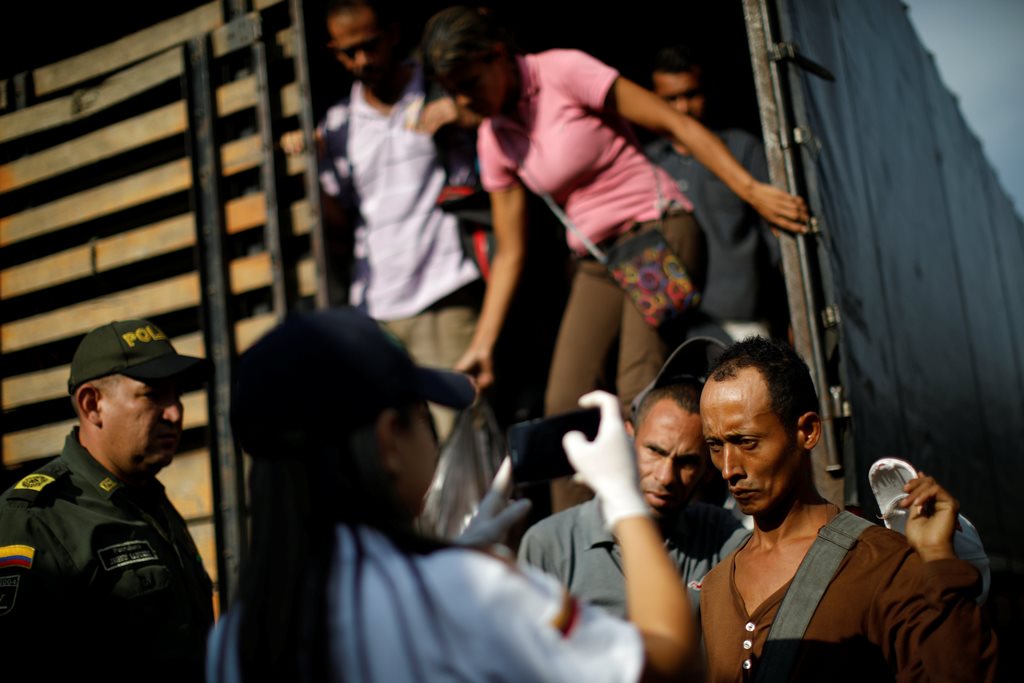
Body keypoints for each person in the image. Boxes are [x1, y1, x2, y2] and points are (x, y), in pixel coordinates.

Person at [420, 6, 808, 511]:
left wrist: (752, 190)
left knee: (636, 386)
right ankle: (574, 544)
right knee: (564, 401)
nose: (464, 100)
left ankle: (661, 527)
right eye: (453, 90)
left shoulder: (562, 71)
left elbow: (675, 124)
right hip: (598, 258)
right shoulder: (495, 138)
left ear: (497, 56)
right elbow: (511, 248)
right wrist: (483, 343)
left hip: (659, 229)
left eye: (469, 82)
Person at [207, 308, 702, 682]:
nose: (434, 439)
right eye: (424, 420)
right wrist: (623, 501)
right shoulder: (468, 590)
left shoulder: (232, 639)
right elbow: (668, 658)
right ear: (388, 442)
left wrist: (453, 557)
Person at [698, 336, 998, 682]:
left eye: (747, 442)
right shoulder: (717, 587)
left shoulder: (882, 564)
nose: (728, 468)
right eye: (715, 446)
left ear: (807, 431)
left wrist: (937, 559)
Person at [286, 0, 483, 440]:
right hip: (377, 308)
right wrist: (313, 169)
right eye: (349, 52)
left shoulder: (438, 87)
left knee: (462, 435)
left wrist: (459, 112)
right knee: (397, 444)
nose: (363, 61)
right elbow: (339, 228)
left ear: (393, 33)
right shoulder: (338, 125)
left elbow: (496, 125)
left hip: (444, 292)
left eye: (371, 46)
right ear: (333, 52)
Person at [0, 319, 214, 682]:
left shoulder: (151, 502)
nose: (175, 412)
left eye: (177, 395)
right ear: (92, 404)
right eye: (153, 394)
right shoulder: (36, 518)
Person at [518, 337, 750, 617]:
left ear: (708, 471)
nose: (665, 477)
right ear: (626, 437)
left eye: (687, 462)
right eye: (654, 451)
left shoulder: (718, 535)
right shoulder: (550, 544)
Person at [646, 44, 785, 342]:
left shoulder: (742, 151)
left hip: (741, 324)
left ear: (707, 91)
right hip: (675, 327)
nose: (683, 108)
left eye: (691, 95)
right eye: (671, 99)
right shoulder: (648, 162)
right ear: (653, 100)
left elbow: (778, 243)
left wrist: (789, 316)